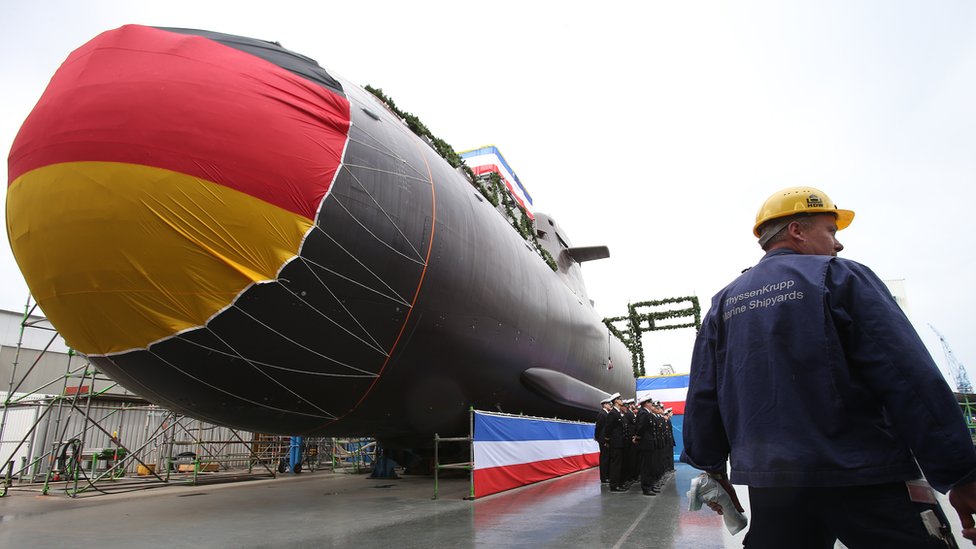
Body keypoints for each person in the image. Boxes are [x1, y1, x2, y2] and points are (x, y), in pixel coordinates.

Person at [681, 186, 976, 548]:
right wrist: (960, 473)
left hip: (773, 487)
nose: (838, 245)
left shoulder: (723, 303)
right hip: (863, 477)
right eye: (831, 231)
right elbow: (909, 379)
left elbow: (704, 394)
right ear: (797, 230)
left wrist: (712, 467)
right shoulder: (841, 278)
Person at [595, 396, 612, 483]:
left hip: (606, 438)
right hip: (603, 439)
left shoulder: (607, 414)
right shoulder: (602, 414)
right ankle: (604, 477)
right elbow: (598, 427)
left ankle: (607, 475)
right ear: (604, 405)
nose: (610, 405)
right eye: (609, 404)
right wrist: (597, 437)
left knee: (607, 458)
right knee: (604, 458)